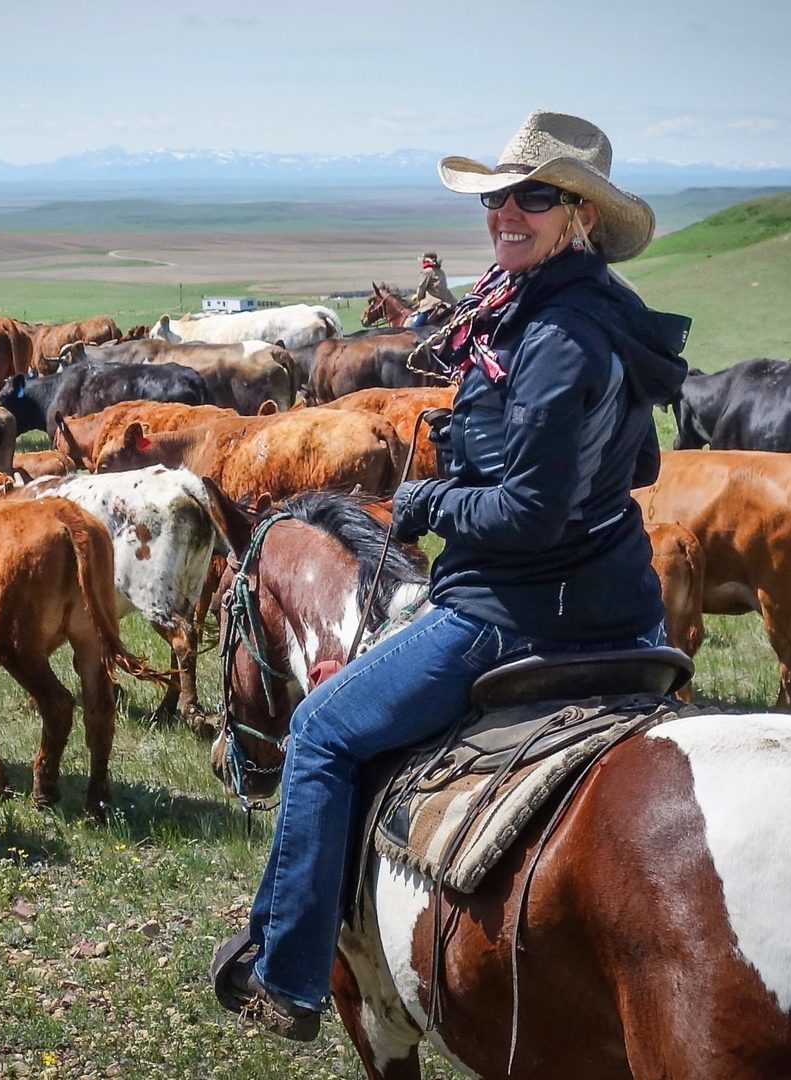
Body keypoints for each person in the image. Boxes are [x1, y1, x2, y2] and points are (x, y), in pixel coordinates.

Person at [213, 110, 691, 1041]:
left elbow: (526, 516)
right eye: (498, 197)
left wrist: (433, 507)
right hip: (622, 610)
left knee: (317, 729)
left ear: (579, 218)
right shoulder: (590, 318)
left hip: (514, 611)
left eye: (534, 198)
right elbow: (638, 471)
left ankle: (292, 975)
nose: (508, 213)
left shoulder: (554, 337)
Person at [407, 251, 455, 327]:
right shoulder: (441, 271)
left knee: (414, 327)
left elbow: (421, 288)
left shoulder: (426, 272)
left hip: (432, 303)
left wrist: (419, 299)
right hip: (448, 302)